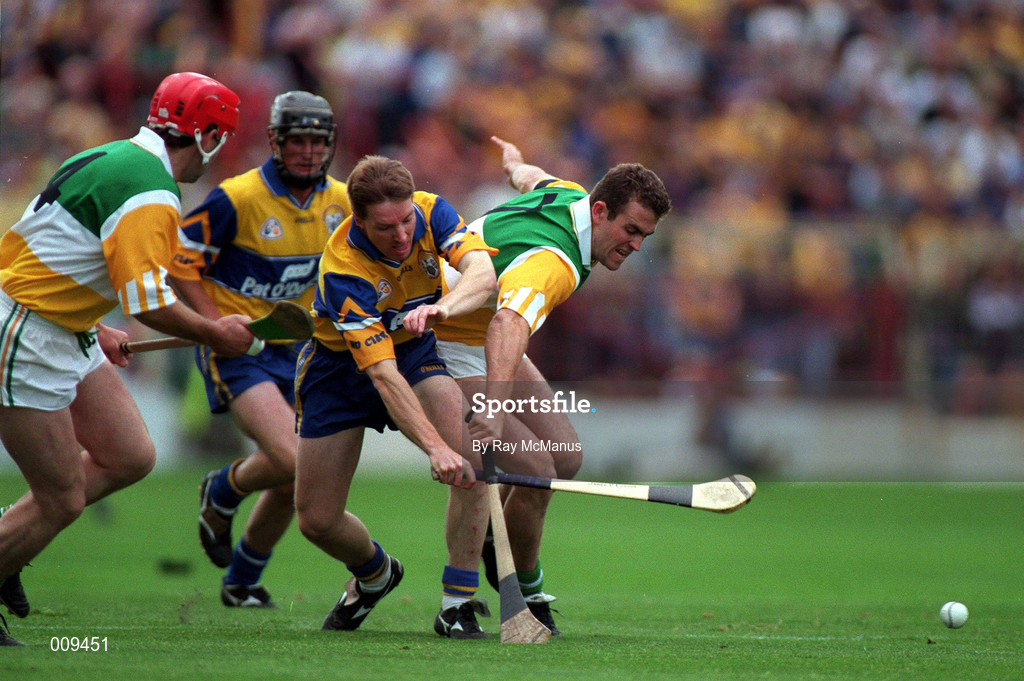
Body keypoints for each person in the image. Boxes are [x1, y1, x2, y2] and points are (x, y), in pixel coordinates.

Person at [0, 72, 256, 647]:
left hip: (63, 325)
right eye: (221, 137)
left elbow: (51, 249)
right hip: (28, 334)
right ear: (208, 134)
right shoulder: (151, 190)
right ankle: (11, 545)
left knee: (129, 454)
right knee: (61, 498)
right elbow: (151, 303)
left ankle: (14, 541)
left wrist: (92, 322)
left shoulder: (115, 155)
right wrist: (216, 333)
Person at [433, 136, 672, 635]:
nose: (636, 245)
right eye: (631, 231)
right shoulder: (556, 262)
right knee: (534, 466)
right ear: (601, 211)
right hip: (445, 333)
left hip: (483, 329)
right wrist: (494, 412)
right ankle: (517, 586)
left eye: (645, 236)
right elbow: (506, 325)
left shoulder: (569, 194)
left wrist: (515, 165)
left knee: (564, 458)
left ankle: (494, 546)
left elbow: (533, 179)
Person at [294, 155, 499, 639]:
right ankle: (375, 573)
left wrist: (442, 307)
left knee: (474, 466)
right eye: (387, 227)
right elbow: (383, 378)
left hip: (414, 354)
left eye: (407, 220)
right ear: (358, 220)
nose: (403, 235)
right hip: (339, 373)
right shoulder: (344, 267)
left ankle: (457, 605)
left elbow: (482, 274)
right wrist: (434, 448)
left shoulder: (433, 212)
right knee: (317, 520)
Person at [167, 90, 351, 609]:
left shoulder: (341, 200)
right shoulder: (237, 198)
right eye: (298, 141)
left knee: (300, 470)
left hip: (301, 353)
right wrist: (212, 324)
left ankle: (242, 579)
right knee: (293, 457)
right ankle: (224, 488)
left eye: (318, 141)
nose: (309, 152)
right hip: (240, 350)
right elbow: (181, 264)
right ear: (275, 141)